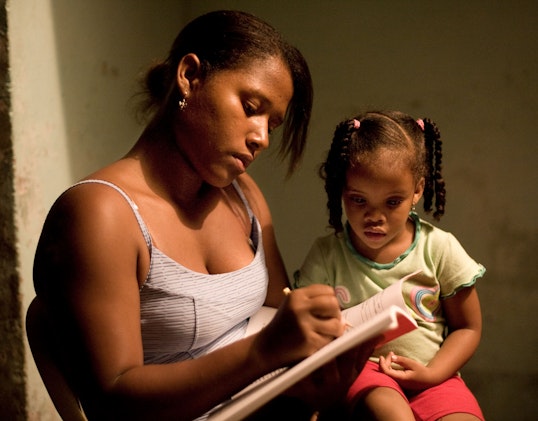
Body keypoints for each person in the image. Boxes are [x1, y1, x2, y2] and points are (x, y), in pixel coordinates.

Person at [31, 10, 373, 421]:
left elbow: (276, 318)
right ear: (190, 77)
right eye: (250, 107)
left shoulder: (242, 196)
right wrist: (263, 353)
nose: (261, 137)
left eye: (273, 124)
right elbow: (113, 398)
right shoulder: (100, 215)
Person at [293, 111, 486, 420]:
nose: (375, 216)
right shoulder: (327, 255)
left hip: (434, 376)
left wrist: (433, 374)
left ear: (417, 190)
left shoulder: (440, 248)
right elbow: (307, 331)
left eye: (392, 202)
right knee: (390, 414)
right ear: (341, 189)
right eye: (359, 200)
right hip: (365, 374)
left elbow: (468, 327)